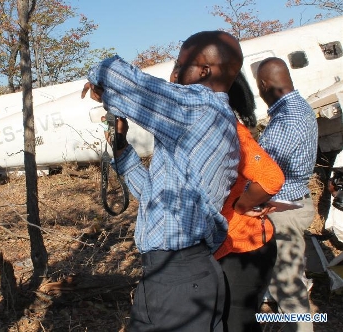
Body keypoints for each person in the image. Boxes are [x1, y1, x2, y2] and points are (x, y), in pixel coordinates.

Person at [82, 31, 243, 331]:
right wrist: (122, 148)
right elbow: (157, 197)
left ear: (204, 71)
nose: (173, 73)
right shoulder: (218, 119)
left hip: (178, 281)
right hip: (178, 277)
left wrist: (99, 79)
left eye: (181, 64)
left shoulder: (200, 106)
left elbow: (112, 72)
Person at [213, 72, 285, 332]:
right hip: (224, 245)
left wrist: (241, 206)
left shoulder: (229, 130)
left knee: (239, 323)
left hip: (243, 247)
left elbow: (270, 176)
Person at [256, 57, 318, 332]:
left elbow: (265, 173)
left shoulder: (287, 120)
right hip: (293, 202)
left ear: (263, 85)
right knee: (284, 284)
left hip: (283, 208)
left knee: (289, 290)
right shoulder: (297, 107)